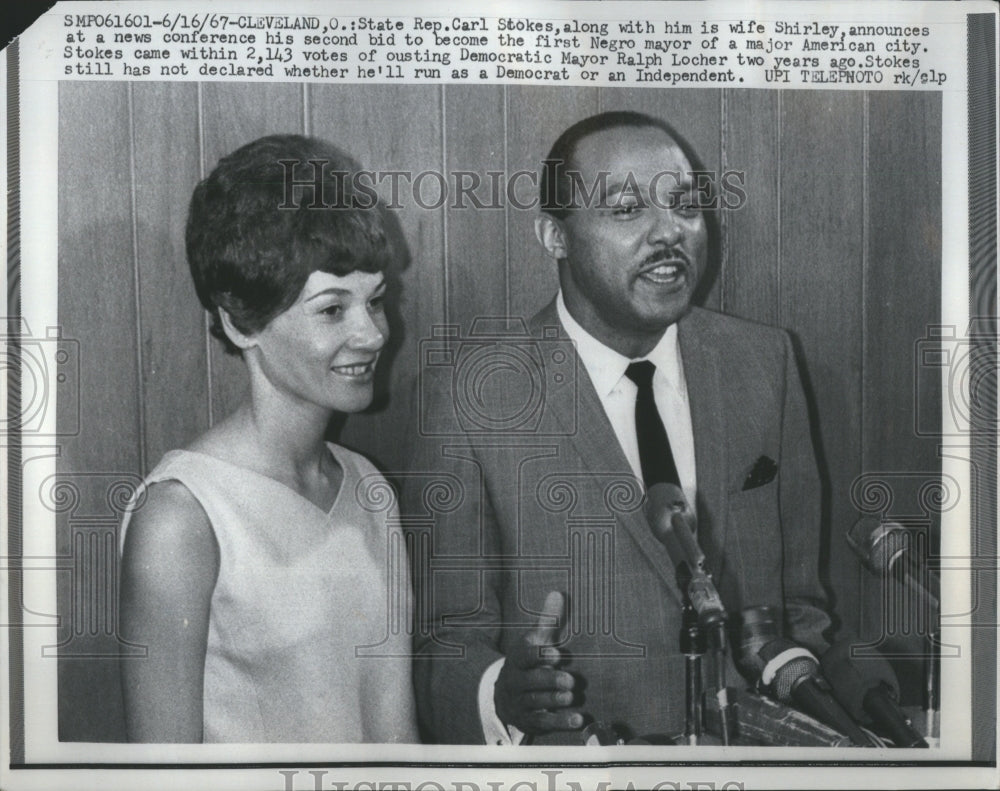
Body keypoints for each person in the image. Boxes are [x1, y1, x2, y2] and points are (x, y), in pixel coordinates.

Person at [405, 111, 831, 745]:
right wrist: (499, 690)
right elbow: (446, 642)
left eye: (685, 205)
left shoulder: (764, 362)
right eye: (627, 209)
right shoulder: (470, 395)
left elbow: (802, 606)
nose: (670, 233)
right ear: (555, 236)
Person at [119, 135, 418, 744]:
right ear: (239, 321)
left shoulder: (369, 489)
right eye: (333, 310)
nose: (372, 334)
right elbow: (161, 778)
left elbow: (397, 740)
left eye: (376, 301)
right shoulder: (181, 517)